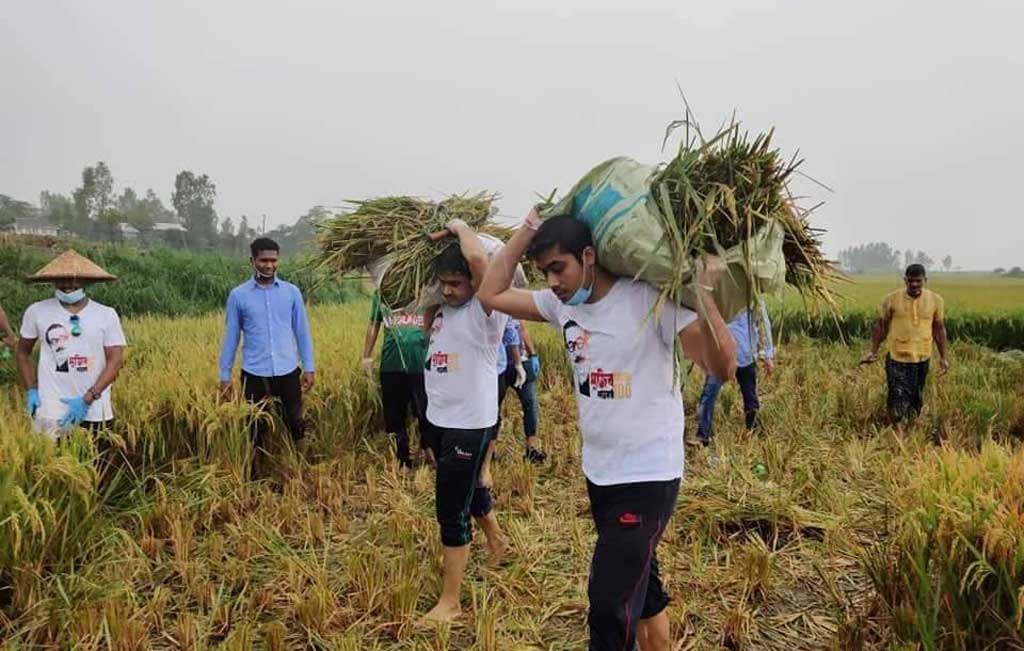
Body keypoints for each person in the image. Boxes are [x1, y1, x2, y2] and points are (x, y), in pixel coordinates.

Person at [478, 210, 736, 651]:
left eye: (559, 267)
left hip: (648, 475)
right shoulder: (561, 306)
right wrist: (527, 230)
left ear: (590, 256)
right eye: (544, 272)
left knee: (609, 607)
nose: (553, 280)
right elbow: (491, 292)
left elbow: (722, 366)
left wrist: (704, 294)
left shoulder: (647, 300)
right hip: (600, 473)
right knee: (645, 594)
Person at [421, 219, 509, 623]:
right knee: (469, 487)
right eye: (444, 283)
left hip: (468, 423)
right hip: (440, 417)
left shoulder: (487, 311)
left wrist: (457, 225)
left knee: (449, 510)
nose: (450, 290)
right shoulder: (440, 311)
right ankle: (496, 537)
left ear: (474, 282)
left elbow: (477, 257)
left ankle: (451, 602)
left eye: (458, 282)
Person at [218, 237, 315, 474]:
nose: (269, 265)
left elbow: (302, 332)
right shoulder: (238, 296)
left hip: (288, 371)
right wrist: (224, 375)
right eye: (264, 260)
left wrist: (309, 366)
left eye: (273, 260)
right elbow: (231, 336)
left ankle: (298, 468)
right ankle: (256, 472)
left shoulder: (292, 293)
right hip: (254, 373)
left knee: (295, 423)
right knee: (255, 428)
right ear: (252, 261)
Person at [15, 250, 126, 439]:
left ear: (85, 281)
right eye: (62, 279)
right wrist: (32, 389)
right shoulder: (37, 311)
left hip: (94, 408)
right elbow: (22, 352)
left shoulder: (106, 314)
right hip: (50, 407)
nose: (68, 284)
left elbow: (115, 360)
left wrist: (88, 398)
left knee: (94, 464)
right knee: (50, 464)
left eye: (75, 279)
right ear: (54, 281)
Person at [860, 263, 949, 430]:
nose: (914, 284)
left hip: (922, 357)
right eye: (910, 281)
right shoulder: (891, 299)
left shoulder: (936, 300)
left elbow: (938, 329)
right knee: (898, 396)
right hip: (897, 358)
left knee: (916, 399)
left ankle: (905, 430)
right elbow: (881, 326)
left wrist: (944, 358)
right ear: (904, 280)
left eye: (918, 281)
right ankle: (897, 438)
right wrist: (873, 351)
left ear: (925, 280)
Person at [361, 290, 430, 467]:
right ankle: (402, 458)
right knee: (394, 415)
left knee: (426, 412)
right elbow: (374, 323)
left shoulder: (427, 291)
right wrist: (366, 356)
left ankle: (429, 450)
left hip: (421, 365)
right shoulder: (383, 293)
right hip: (392, 365)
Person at [696, 304, 775, 445]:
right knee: (708, 396)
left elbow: (763, 323)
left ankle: (753, 432)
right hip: (720, 356)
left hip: (745, 354)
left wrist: (767, 355)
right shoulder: (717, 292)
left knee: (750, 397)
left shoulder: (750, 294)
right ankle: (702, 436)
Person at [495, 318, 546, 462]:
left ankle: (532, 448)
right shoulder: (492, 307)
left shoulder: (516, 309)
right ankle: (489, 449)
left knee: (530, 403)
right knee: (493, 408)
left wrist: (533, 354)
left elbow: (522, 330)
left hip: (521, 363)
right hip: (498, 365)